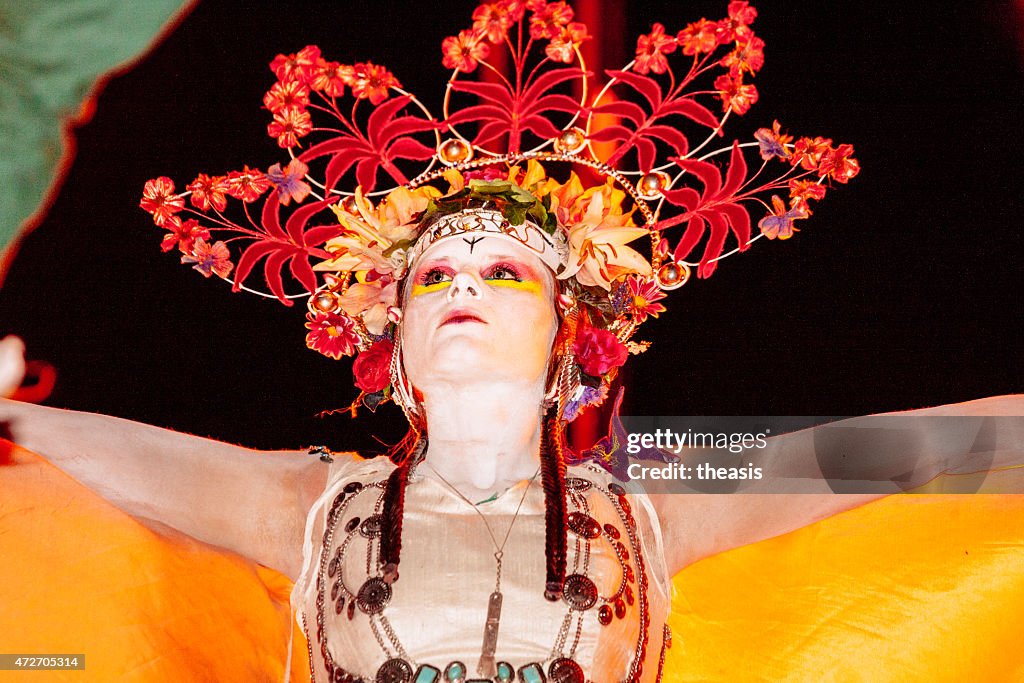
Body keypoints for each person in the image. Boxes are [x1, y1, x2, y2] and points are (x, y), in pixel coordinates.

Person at [2, 2, 1023, 681]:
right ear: (391, 346)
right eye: (436, 274)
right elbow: (69, 453)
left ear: (571, 338)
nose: (463, 289)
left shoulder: (651, 501)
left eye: (504, 271)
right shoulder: (310, 504)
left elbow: (914, 451)